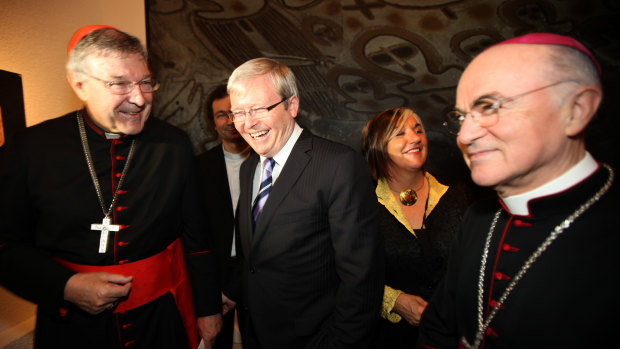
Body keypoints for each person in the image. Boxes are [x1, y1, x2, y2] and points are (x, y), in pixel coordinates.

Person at [0, 25, 222, 349]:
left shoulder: (173, 144)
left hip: (159, 321)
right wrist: (65, 286)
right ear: (79, 85)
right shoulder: (29, 150)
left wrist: (208, 310)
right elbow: (5, 245)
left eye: (146, 82)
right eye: (119, 83)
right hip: (70, 328)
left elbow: (197, 239)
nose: (139, 98)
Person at [416, 33, 619, 348]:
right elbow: (439, 325)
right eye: (461, 117)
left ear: (576, 110)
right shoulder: (478, 218)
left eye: (489, 106)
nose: (465, 135)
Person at [227, 57, 384, 348]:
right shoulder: (251, 167)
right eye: (238, 112)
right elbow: (255, 258)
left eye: (259, 108)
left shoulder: (338, 166)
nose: (248, 123)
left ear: (292, 105)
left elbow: (362, 279)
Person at [361, 107, 473, 348]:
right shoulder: (362, 206)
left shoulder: (460, 197)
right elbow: (349, 276)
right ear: (378, 147)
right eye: (399, 133)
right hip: (389, 338)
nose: (415, 138)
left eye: (418, 130)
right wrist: (394, 301)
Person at [196, 84, 250, 348]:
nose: (229, 121)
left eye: (235, 112)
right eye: (221, 115)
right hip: (216, 274)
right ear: (212, 123)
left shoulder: (269, 163)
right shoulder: (198, 168)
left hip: (258, 271)